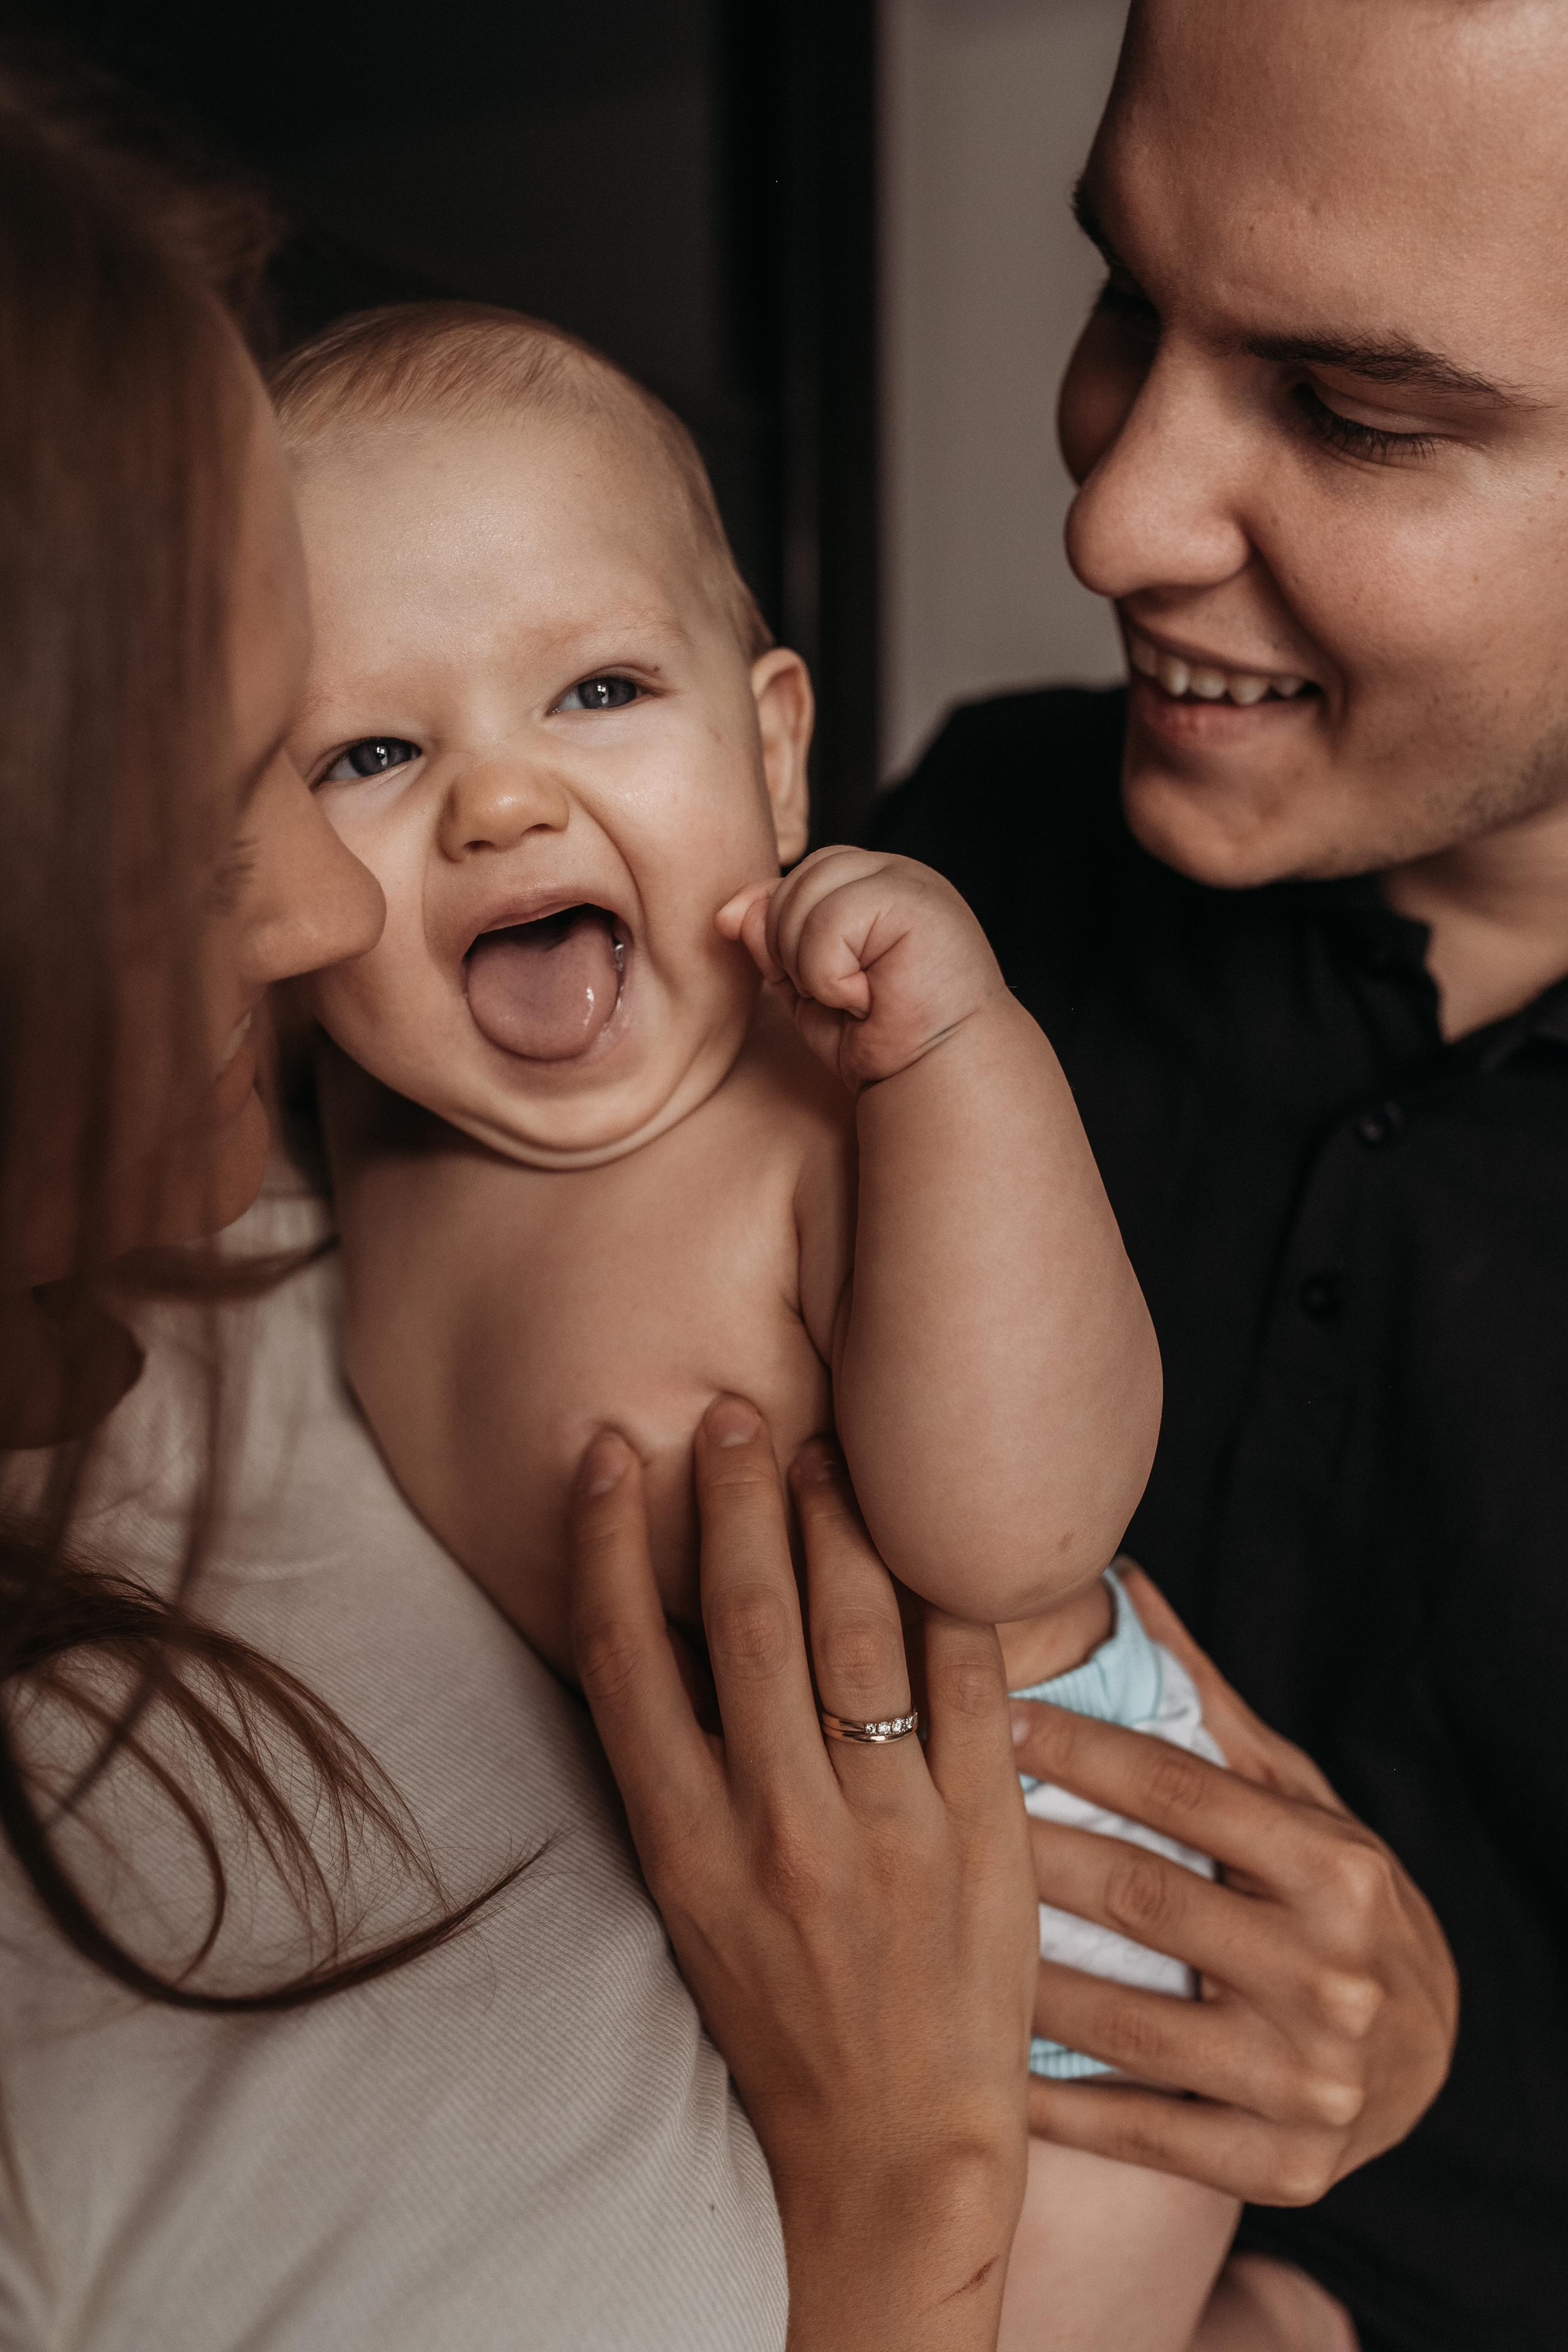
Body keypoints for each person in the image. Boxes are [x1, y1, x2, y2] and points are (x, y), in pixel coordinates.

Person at [0, 87, 1042, 2352]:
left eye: (303, 753)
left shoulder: (267, 1219)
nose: (323, 901)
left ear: (778, 743)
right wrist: (916, 2206)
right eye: (268, 789)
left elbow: (1031, 1506)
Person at [263, 295, 1243, 2345]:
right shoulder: (368, 1118)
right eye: (373, 749)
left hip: (1047, 1899)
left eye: (599, 689)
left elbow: (1019, 1529)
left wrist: (961, 1056)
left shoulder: (821, 1117)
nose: (501, 807)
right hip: (748, 1920)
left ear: (776, 745)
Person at [873, 1, 1568, 2345]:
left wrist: (1436, 2122)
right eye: (1119, 308)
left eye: (1354, 416)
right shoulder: (948, 877)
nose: (1111, 515)